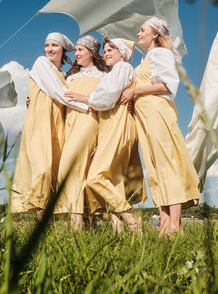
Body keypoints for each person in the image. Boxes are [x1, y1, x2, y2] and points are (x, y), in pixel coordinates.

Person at [120, 17, 201, 236]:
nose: (138, 34)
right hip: (144, 116)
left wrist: (135, 92)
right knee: (154, 166)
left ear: (155, 33)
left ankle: (175, 223)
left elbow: (166, 85)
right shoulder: (145, 60)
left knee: (166, 163)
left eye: (142, 30)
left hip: (157, 111)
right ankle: (164, 222)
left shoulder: (161, 54)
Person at [65, 36, 146, 232]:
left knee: (96, 177)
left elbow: (107, 98)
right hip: (110, 124)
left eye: (112, 50)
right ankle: (119, 230)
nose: (106, 53)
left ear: (122, 54)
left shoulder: (123, 68)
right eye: (106, 50)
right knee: (112, 176)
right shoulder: (115, 71)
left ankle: (131, 220)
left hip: (119, 122)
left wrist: (83, 98)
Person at [11, 32, 76, 220]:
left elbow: (60, 95)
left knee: (56, 168)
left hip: (57, 123)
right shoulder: (41, 63)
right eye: (47, 45)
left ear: (62, 50)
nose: (49, 49)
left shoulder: (63, 74)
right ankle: (42, 226)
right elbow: (60, 93)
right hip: (40, 121)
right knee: (43, 167)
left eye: (54, 45)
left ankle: (54, 221)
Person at [54, 35, 109, 230]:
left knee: (71, 168)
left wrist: (82, 97)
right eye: (75, 50)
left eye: (80, 50)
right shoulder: (70, 77)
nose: (76, 53)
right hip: (69, 123)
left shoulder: (103, 76)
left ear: (92, 53)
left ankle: (75, 227)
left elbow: (105, 101)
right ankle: (89, 223)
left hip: (88, 122)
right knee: (82, 171)